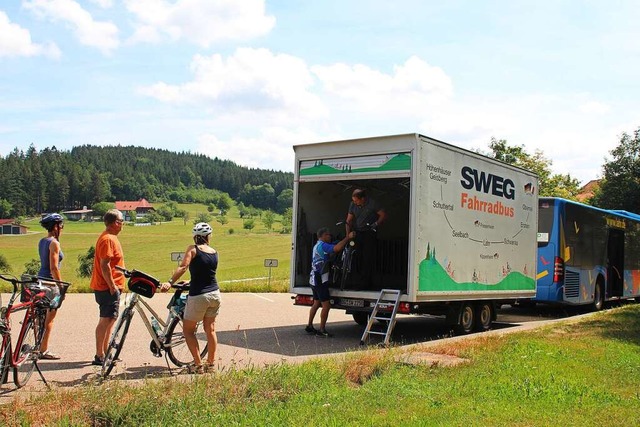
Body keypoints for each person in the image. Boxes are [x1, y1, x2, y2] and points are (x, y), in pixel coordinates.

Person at [160, 222, 221, 374]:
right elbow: (207, 274)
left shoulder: (192, 249)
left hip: (199, 295)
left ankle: (198, 365)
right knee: (210, 330)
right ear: (208, 236)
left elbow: (183, 267)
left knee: (188, 331)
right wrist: (191, 281)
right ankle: (211, 365)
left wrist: (169, 282)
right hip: (215, 294)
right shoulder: (214, 252)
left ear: (195, 237)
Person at [90, 209, 125, 366]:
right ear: (115, 223)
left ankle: (106, 351)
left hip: (110, 286)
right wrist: (112, 286)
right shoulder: (108, 239)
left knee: (111, 319)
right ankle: (99, 355)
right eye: (121, 221)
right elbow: (105, 265)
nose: (122, 225)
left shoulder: (110, 238)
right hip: (107, 287)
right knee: (106, 320)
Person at [306, 227, 355, 337]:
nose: (330, 236)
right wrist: (348, 238)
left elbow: (334, 245)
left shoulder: (317, 245)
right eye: (328, 235)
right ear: (322, 236)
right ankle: (322, 330)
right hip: (320, 279)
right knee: (326, 305)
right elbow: (336, 249)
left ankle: (309, 326)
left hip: (313, 278)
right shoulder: (323, 245)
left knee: (316, 303)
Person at [37, 213, 65, 360]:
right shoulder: (54, 242)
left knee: (39, 317)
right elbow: (54, 268)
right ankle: (44, 349)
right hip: (50, 283)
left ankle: (37, 345)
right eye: (60, 225)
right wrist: (61, 286)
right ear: (55, 226)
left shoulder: (42, 241)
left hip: (39, 280)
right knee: (50, 319)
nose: (61, 228)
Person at [345, 189, 386, 289]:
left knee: (367, 257)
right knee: (356, 256)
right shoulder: (353, 205)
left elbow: (383, 214)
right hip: (358, 232)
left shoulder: (372, 203)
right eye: (353, 200)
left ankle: (366, 282)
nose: (355, 203)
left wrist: (376, 224)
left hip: (369, 232)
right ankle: (355, 281)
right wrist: (348, 236)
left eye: (356, 201)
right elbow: (349, 220)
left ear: (363, 199)